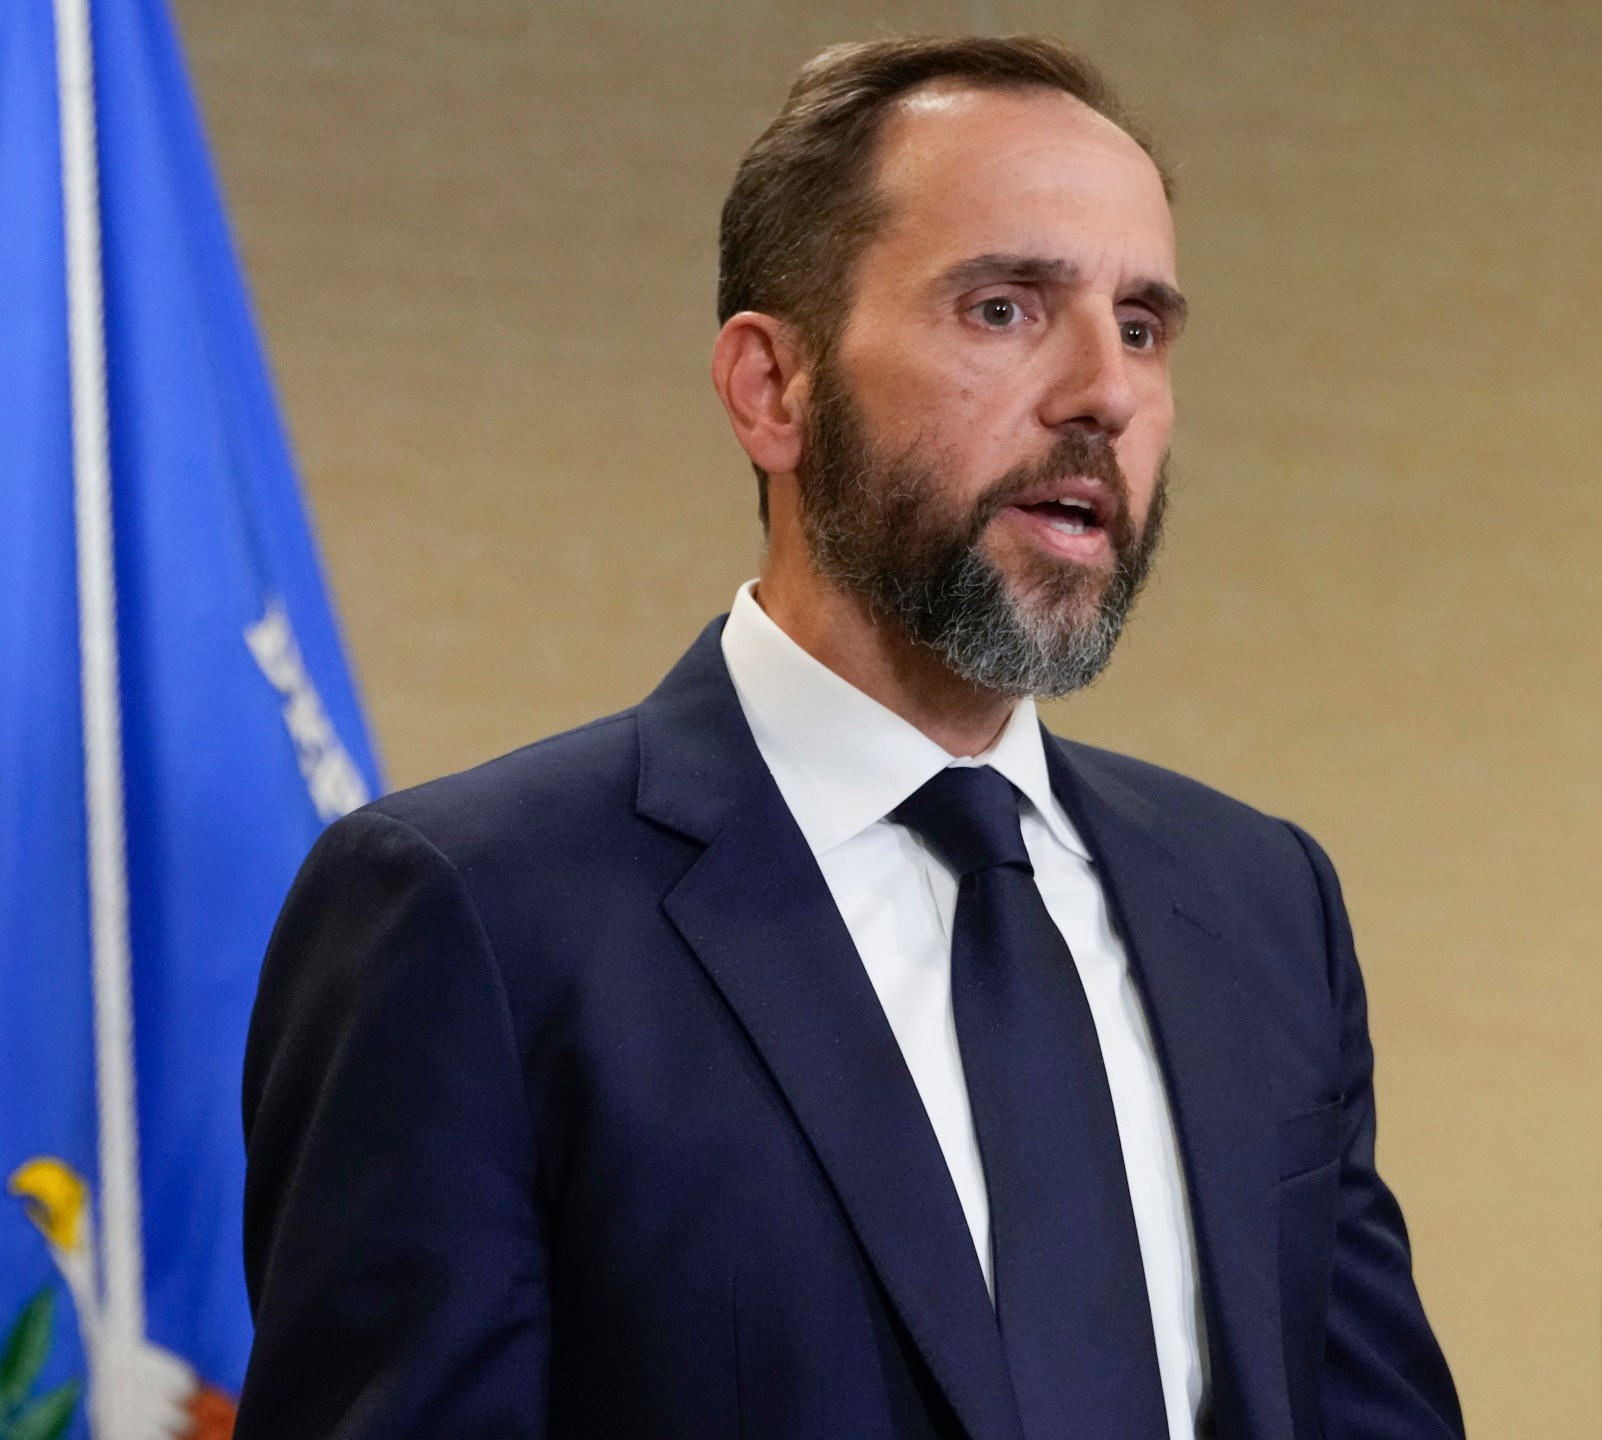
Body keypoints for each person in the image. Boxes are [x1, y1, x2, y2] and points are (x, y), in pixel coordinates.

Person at [236, 35, 1465, 1440]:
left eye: (1141, 327)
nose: (1105, 393)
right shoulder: (475, 913)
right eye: (1004, 308)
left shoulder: (1262, 907)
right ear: (774, 389)